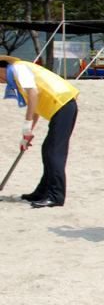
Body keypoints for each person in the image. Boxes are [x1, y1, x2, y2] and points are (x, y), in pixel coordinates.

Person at [0, 54, 79, 208]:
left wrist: (27, 123)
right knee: (47, 149)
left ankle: (56, 196)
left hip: (63, 105)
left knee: (54, 152)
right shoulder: (18, 76)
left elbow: (34, 93)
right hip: (60, 107)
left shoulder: (18, 68)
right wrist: (28, 132)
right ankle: (42, 191)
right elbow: (34, 104)